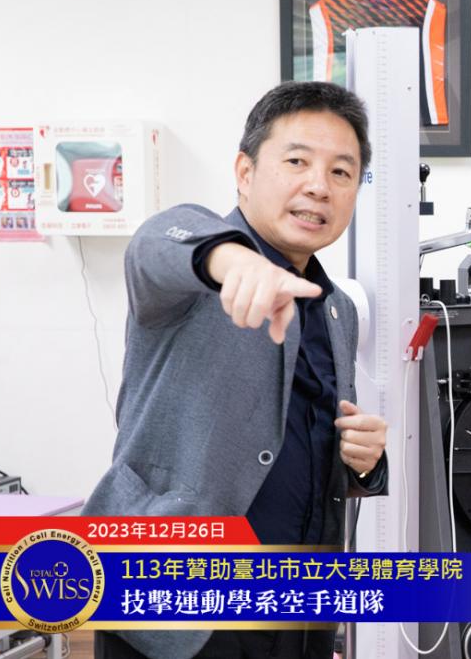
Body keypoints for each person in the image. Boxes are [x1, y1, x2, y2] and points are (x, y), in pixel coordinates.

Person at [83, 81, 389, 659]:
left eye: (341, 172)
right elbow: (157, 240)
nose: (318, 185)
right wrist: (229, 259)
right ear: (244, 172)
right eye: (297, 161)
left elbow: (297, 453)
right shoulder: (194, 279)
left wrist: (366, 463)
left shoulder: (338, 310)